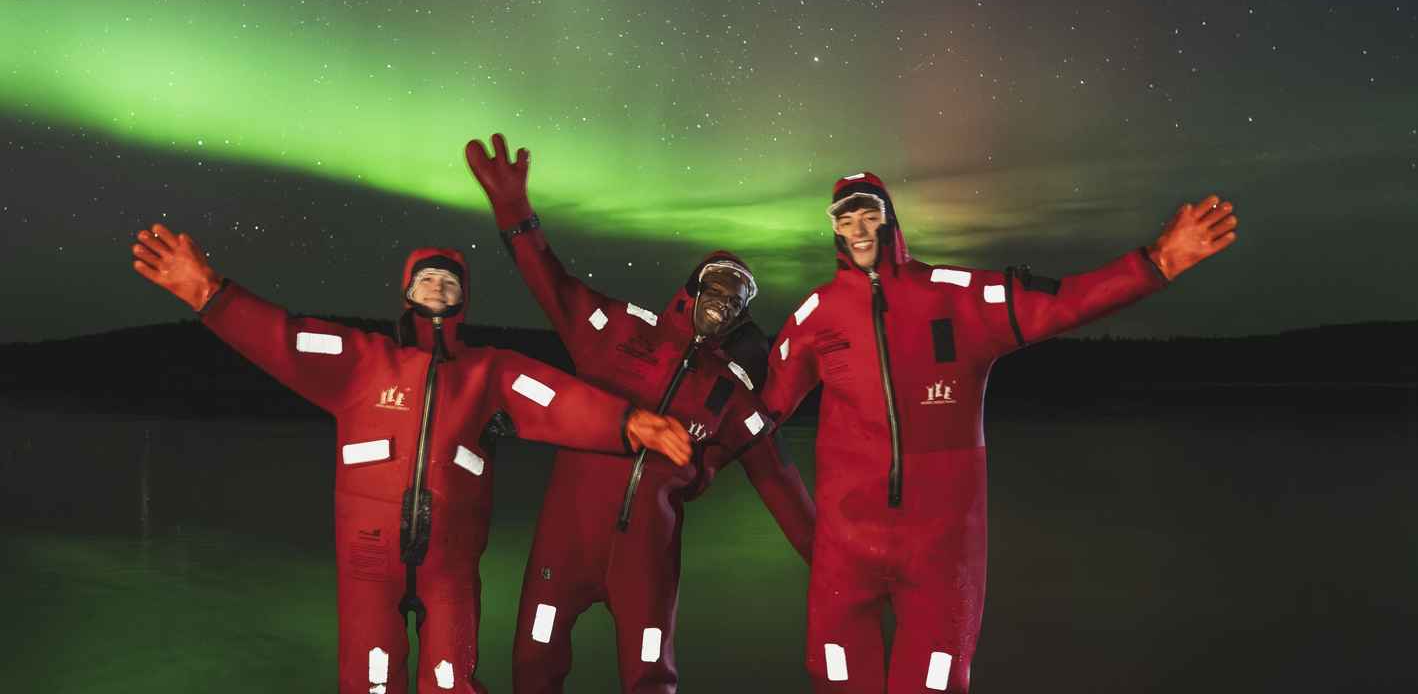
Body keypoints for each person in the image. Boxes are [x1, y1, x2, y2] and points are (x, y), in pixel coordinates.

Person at [130, 224, 693, 694]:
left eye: (450, 281)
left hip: (450, 563)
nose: (438, 286)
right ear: (406, 293)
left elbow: (555, 398)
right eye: (426, 278)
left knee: (452, 680)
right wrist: (212, 294)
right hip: (368, 562)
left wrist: (628, 422)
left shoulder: (488, 373)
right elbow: (287, 338)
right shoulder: (361, 361)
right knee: (373, 678)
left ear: (463, 299)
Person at [759, 172, 1238, 692]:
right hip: (845, 556)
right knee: (837, 682)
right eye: (846, 219)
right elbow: (758, 416)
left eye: (868, 215)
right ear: (834, 230)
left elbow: (1063, 303)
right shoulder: (816, 315)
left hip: (940, 557)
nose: (858, 229)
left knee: (934, 686)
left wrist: (1155, 264)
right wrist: (679, 432)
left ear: (890, 221)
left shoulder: (958, 298)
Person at [465, 134, 816, 694]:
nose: (721, 303)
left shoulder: (730, 395)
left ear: (739, 320)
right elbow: (551, 283)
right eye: (715, 289)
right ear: (692, 290)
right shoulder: (619, 330)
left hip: (645, 562)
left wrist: (832, 566)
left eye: (735, 301)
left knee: (651, 676)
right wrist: (513, 209)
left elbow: (779, 482)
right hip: (566, 542)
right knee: (534, 663)